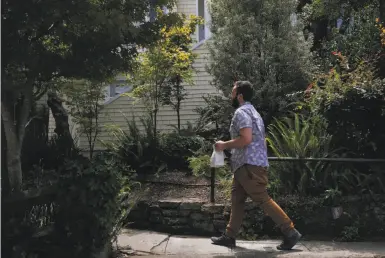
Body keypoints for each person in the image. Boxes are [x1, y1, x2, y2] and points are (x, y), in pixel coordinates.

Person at [210, 81, 301, 250]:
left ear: (240, 96)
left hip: (248, 166)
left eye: (232, 92)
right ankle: (230, 236)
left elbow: (246, 139)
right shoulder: (254, 112)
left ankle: (290, 231)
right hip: (246, 166)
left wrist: (223, 145)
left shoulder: (241, 112)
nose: (231, 96)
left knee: (262, 199)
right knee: (237, 199)